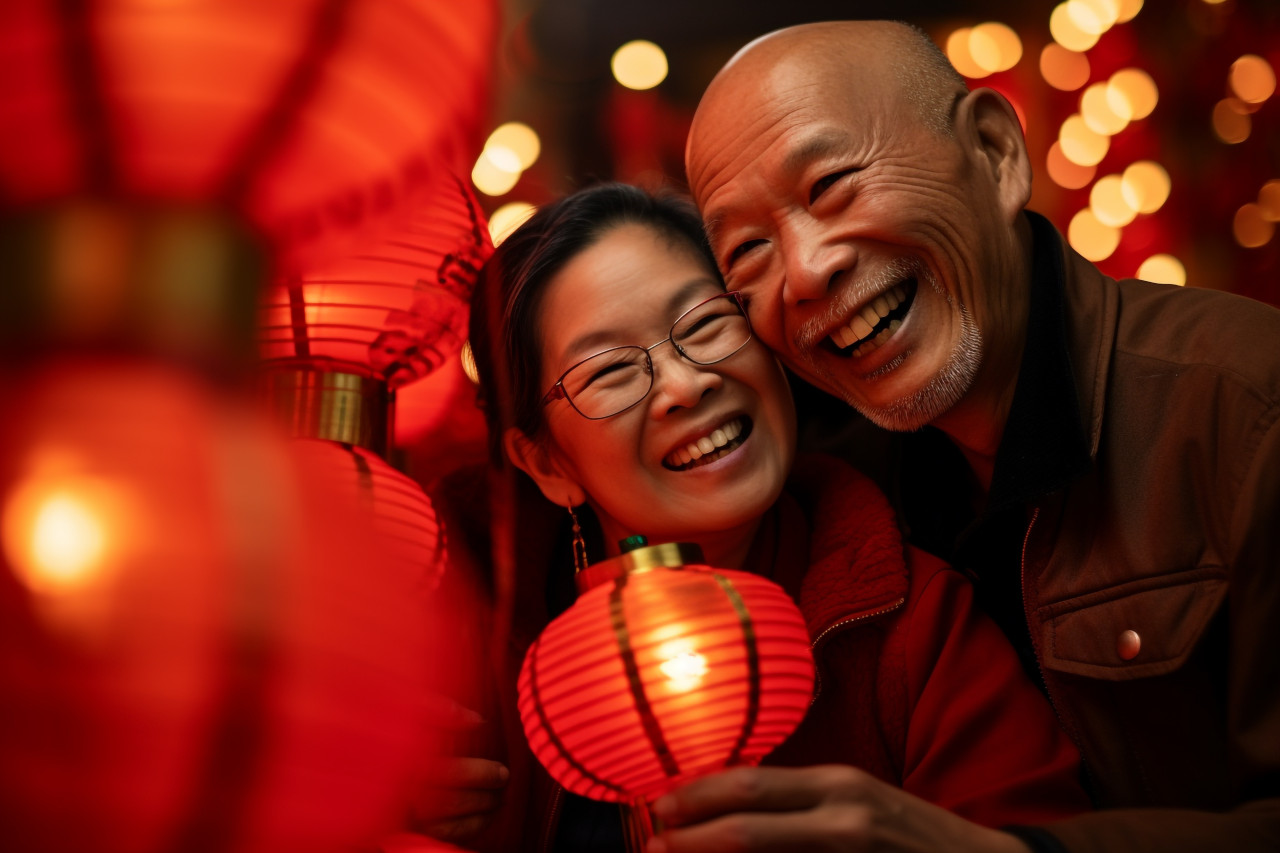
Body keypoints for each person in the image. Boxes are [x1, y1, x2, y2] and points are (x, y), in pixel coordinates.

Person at [673, 18, 1280, 853]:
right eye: (748, 251)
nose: (807, 270)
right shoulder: (845, 507)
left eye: (832, 184)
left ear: (995, 153)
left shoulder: (1247, 408)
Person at [456, 182, 1089, 851]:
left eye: (706, 325)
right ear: (545, 463)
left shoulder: (912, 627)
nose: (685, 383)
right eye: (610, 370)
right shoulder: (460, 630)